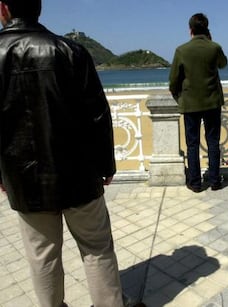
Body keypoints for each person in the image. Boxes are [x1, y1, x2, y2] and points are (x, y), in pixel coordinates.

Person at [0, 1, 141, 306]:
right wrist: (106, 166)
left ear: (3, 8)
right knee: (97, 248)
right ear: (39, 8)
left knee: (42, 256)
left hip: (24, 178)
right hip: (79, 173)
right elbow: (98, 115)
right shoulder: (71, 50)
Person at [169, 13, 228, 193]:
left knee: (192, 144)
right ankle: (215, 181)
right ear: (207, 29)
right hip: (212, 102)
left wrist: (179, 97)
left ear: (190, 30)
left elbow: (173, 81)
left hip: (190, 104)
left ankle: (195, 183)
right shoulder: (214, 47)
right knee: (213, 141)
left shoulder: (182, 50)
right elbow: (223, 64)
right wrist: (211, 41)